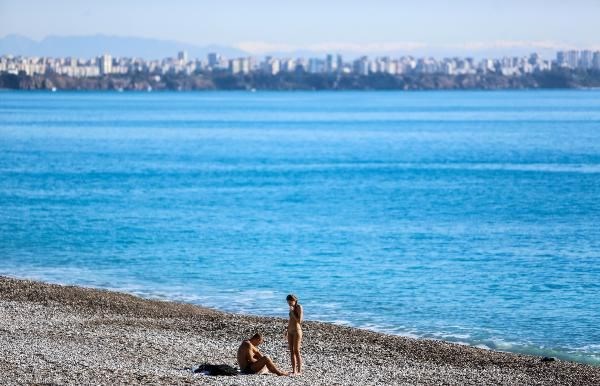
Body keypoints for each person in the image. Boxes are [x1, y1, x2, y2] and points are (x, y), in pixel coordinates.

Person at [285, 294, 303, 375]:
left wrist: (292, 312)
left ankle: (299, 371)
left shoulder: (299, 307)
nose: (289, 304)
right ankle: (294, 370)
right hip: (290, 331)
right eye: (288, 302)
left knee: (296, 350)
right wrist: (287, 329)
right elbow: (290, 320)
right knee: (291, 351)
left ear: (295, 300)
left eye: (290, 302)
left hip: (297, 331)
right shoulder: (291, 308)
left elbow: (299, 321)